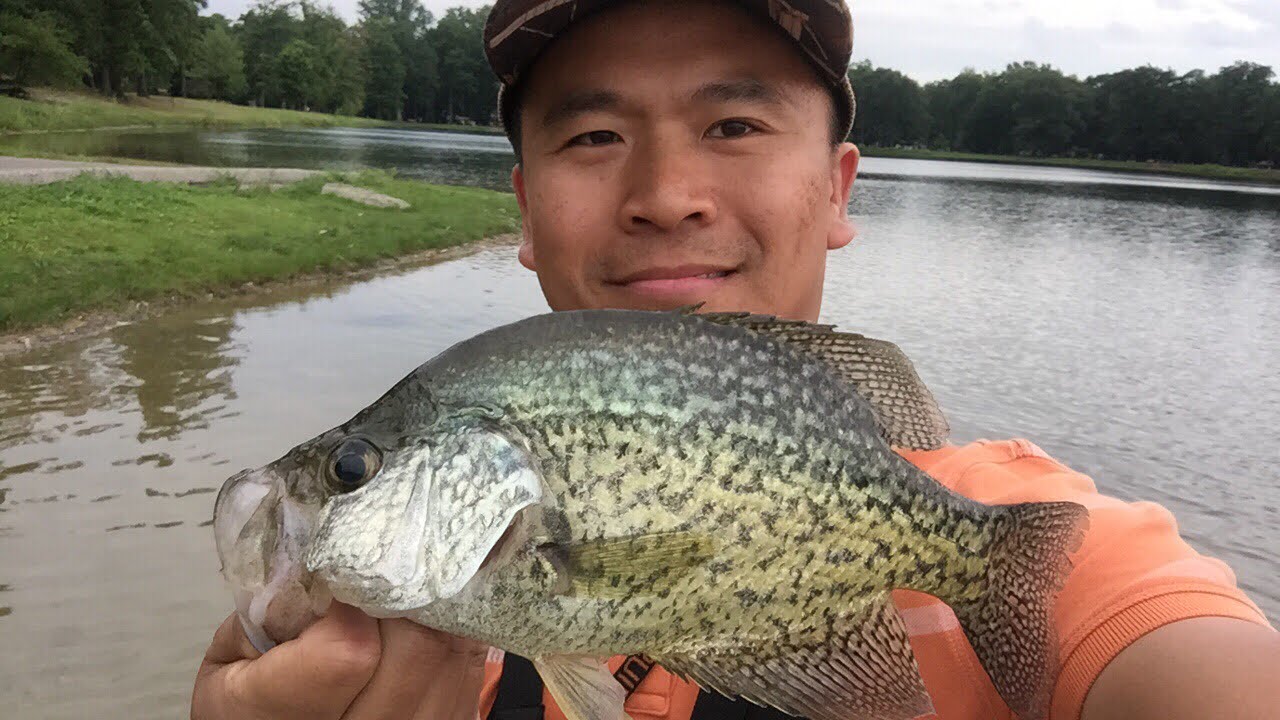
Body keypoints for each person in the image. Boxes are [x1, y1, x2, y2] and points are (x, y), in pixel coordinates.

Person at [190, 1, 1279, 718]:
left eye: (736, 125)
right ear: (523, 208)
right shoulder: (398, 661)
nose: (666, 195)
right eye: (590, 136)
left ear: (840, 185)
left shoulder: (1061, 544)